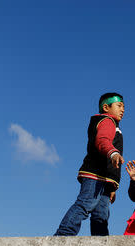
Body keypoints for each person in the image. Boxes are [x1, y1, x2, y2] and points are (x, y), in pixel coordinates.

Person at [54, 92, 125, 236]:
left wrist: (113, 185)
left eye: (124, 107)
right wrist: (113, 152)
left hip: (105, 179)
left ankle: (100, 241)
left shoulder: (115, 126)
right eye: (119, 106)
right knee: (85, 204)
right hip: (95, 174)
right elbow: (102, 140)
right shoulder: (107, 121)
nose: (123, 109)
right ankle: (63, 235)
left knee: (101, 214)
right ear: (106, 107)